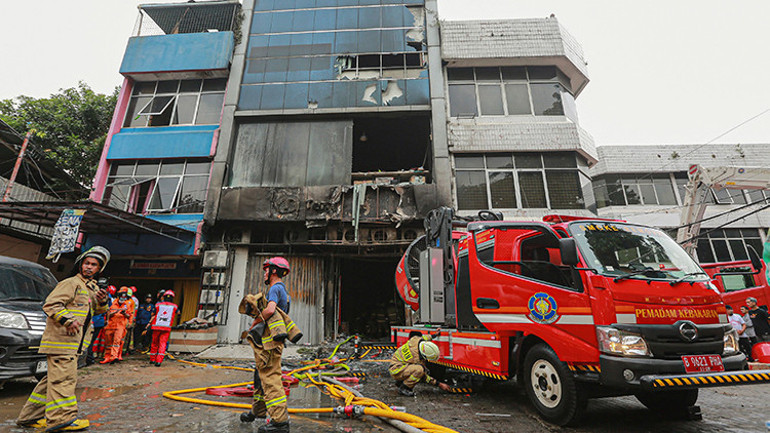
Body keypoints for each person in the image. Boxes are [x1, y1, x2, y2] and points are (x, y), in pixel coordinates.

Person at [16, 246, 111, 432]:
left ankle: (29, 417)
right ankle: (61, 420)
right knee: (64, 381)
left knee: (51, 382)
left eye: (94, 265)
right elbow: (51, 304)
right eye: (87, 263)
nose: (89, 267)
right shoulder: (71, 283)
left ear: (99, 269)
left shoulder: (91, 287)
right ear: (81, 264)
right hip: (62, 343)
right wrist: (68, 320)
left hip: (73, 344)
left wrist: (102, 301)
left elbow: (97, 311)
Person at [239, 257, 294, 433]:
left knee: (270, 378)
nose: (264, 273)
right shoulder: (282, 291)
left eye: (266, 270)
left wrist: (255, 323)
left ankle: (280, 422)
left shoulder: (275, 288)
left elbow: (270, 310)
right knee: (260, 376)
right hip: (269, 343)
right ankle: (259, 411)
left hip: (271, 344)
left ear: (274, 271)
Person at [101, 287, 133, 364]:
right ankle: (107, 357)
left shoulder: (127, 305)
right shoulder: (113, 303)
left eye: (124, 297)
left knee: (117, 341)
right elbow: (107, 314)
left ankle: (114, 356)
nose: (123, 298)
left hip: (120, 326)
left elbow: (129, 315)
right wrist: (114, 313)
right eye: (122, 296)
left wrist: (124, 314)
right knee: (108, 342)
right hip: (110, 325)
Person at [86, 285, 115, 365]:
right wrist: (107, 320)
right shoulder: (106, 296)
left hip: (93, 321)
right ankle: (91, 357)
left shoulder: (92, 294)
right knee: (92, 341)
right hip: (98, 322)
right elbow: (108, 309)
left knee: (89, 341)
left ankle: (89, 357)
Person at [148, 290, 178, 366]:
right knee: (163, 344)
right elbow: (178, 312)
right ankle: (159, 361)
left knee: (154, 343)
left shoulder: (158, 305)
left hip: (156, 327)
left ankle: (152, 359)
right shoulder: (174, 306)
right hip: (166, 328)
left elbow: (153, 313)